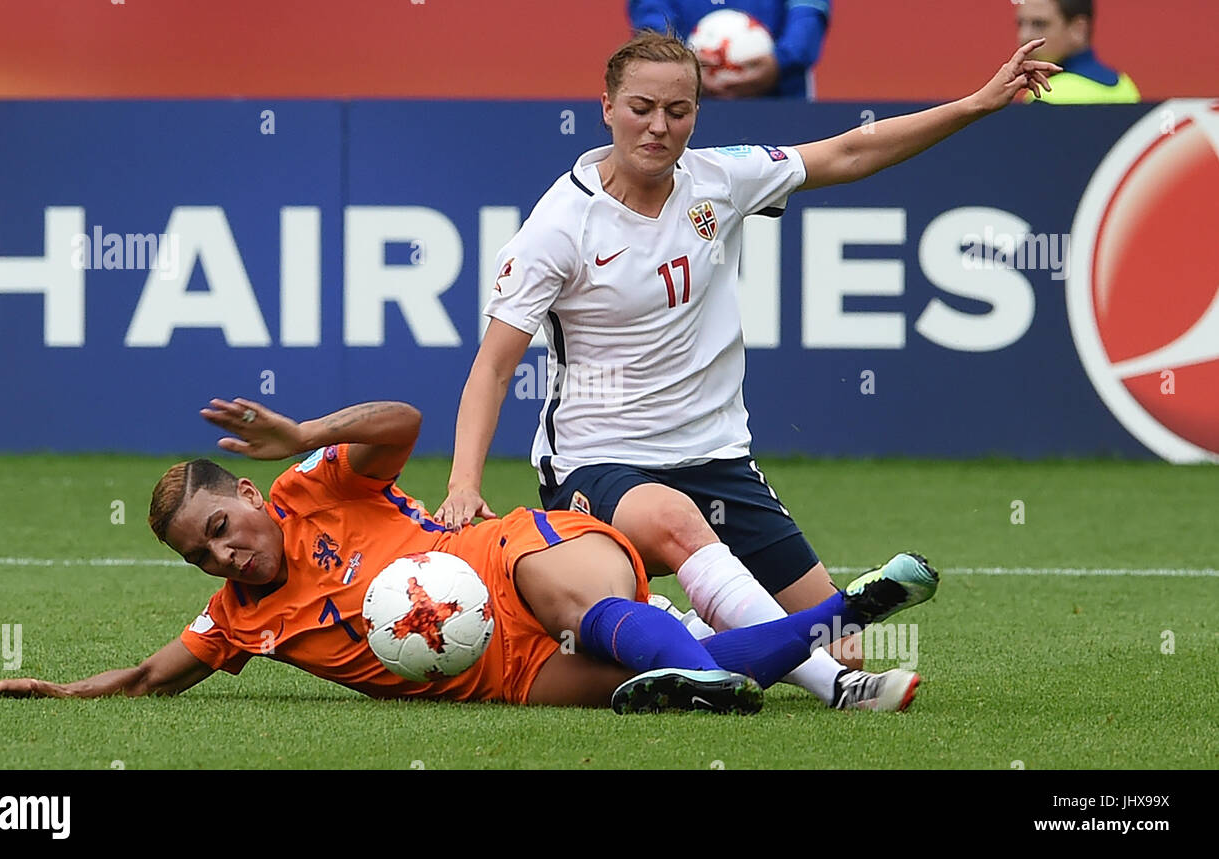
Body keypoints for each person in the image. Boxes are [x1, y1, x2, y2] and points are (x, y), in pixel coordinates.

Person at [435, 31, 1055, 708]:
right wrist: (464, 482)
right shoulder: (559, 225)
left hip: (718, 460)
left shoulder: (720, 179)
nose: (659, 126)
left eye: (678, 110)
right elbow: (494, 367)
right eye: (641, 107)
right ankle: (842, 688)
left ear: (697, 113)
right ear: (606, 106)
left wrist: (974, 104)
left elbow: (850, 152)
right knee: (682, 525)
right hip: (596, 465)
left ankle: (709, 632)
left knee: (832, 633)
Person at [0, 398, 937, 713]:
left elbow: (402, 423)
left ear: (251, 495)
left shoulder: (313, 485)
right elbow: (148, 676)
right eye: (200, 555)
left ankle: (742, 643)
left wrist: (300, 429)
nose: (220, 556)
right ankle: (841, 619)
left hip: (508, 554)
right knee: (689, 676)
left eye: (220, 528)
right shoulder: (240, 622)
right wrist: (63, 696)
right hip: (502, 673)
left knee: (613, 626)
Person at [628, 0, 832, 99]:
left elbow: (808, 11)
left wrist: (781, 62)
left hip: (781, 104)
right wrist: (680, 61)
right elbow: (651, 13)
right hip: (687, 102)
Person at [1016, 0, 1138, 104]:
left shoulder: (1045, 95)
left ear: (1078, 29)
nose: (1024, 36)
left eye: (1039, 24)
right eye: (1020, 24)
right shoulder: (1125, 85)